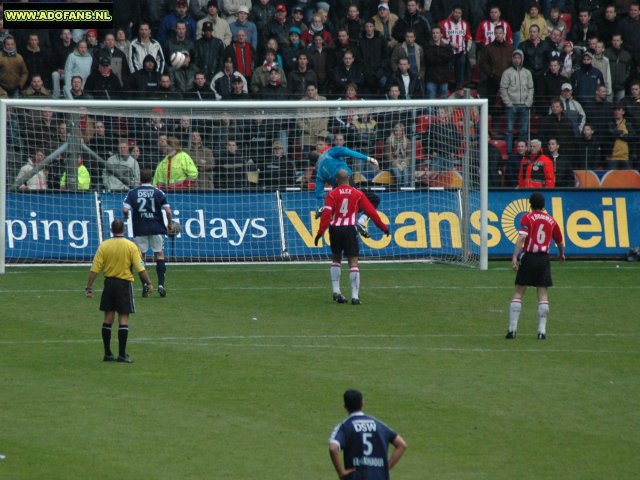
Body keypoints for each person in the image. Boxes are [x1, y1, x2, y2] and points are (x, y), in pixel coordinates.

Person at [314, 170, 390, 305]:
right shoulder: (357, 193)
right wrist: (383, 227)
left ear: (336, 180)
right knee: (353, 262)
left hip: (335, 229)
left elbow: (326, 214)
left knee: (336, 259)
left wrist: (320, 232)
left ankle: (336, 291)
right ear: (348, 178)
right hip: (349, 228)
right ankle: (355, 296)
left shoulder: (332, 194)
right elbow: (372, 212)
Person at [85, 218, 153, 363]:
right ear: (124, 229)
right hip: (124, 284)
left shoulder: (104, 246)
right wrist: (149, 283)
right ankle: (122, 354)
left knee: (108, 318)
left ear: (111, 230)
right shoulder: (131, 246)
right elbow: (141, 268)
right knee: (123, 318)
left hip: (109, 284)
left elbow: (94, 269)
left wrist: (89, 287)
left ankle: (108, 353)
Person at [506, 192, 565, 340]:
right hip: (543, 259)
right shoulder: (551, 220)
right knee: (542, 293)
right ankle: (541, 332)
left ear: (530, 204)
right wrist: (561, 254)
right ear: (544, 205)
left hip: (529, 257)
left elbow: (522, 237)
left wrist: (514, 256)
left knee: (519, 291)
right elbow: (560, 242)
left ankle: (512, 330)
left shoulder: (527, 217)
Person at [329, 388, 407, 479]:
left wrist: (341, 472)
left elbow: (333, 448)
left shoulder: (344, 426)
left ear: (345, 406)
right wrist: (386, 468)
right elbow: (402, 445)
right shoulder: (379, 425)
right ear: (362, 403)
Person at [122, 168, 174, 299]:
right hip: (156, 227)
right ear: (151, 179)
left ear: (140, 179)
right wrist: (170, 224)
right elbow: (168, 211)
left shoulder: (133, 193)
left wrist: (126, 216)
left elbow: (125, 209)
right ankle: (161, 285)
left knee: (140, 257)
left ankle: (145, 284)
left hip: (140, 228)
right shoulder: (158, 192)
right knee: (159, 255)